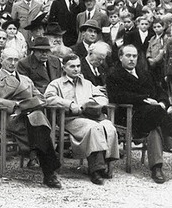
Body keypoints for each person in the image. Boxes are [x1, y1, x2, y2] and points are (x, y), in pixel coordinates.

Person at [106, 44, 172, 183]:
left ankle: (156, 168)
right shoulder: (114, 74)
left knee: (154, 124)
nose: (132, 59)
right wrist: (145, 100)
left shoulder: (145, 73)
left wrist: (163, 103)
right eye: (128, 56)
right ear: (120, 57)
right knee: (155, 113)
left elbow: (161, 92)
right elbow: (117, 96)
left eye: (134, 56)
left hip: (151, 116)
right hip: (130, 116)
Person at [0, 48, 63, 188]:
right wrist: (15, 105)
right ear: (1, 59)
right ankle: (50, 168)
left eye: (16, 60)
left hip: (28, 116)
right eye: (9, 59)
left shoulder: (26, 80)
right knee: (39, 125)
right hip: (7, 117)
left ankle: (48, 172)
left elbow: (40, 97)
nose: (13, 63)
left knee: (38, 120)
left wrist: (30, 104)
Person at [45, 54, 119, 185]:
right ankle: (95, 170)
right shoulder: (56, 84)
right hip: (70, 119)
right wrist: (69, 104)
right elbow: (49, 98)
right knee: (94, 128)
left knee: (109, 127)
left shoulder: (87, 84)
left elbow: (103, 97)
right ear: (64, 67)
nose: (76, 69)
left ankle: (105, 165)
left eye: (78, 66)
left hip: (91, 116)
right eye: (72, 66)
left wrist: (91, 103)